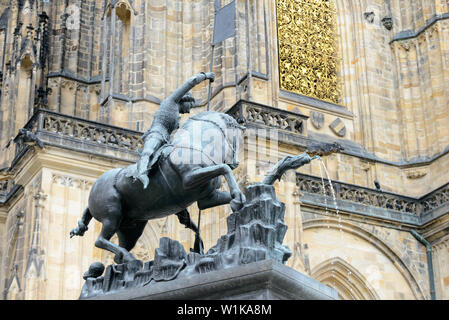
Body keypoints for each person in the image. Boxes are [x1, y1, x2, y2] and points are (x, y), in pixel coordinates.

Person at [130, 72, 215, 188]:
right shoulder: (171, 102)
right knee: (149, 151)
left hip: (166, 141)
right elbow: (191, 81)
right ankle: (141, 173)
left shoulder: (177, 116)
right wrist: (206, 76)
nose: (189, 110)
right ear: (185, 100)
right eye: (190, 106)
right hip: (157, 133)